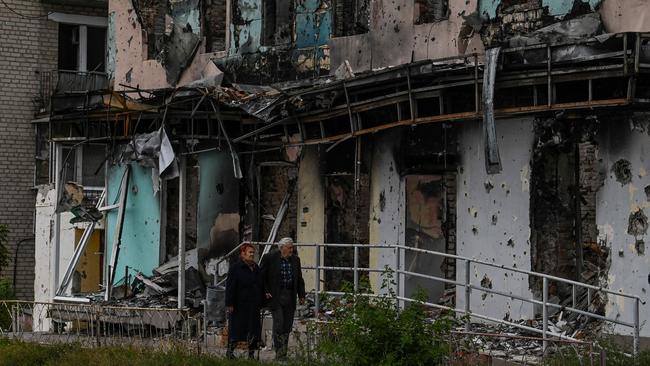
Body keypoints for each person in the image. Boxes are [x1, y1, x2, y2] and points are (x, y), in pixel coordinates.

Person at [261, 237, 306, 361]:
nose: (292, 250)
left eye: (292, 247)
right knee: (279, 323)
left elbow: (299, 279)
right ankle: (279, 353)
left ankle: (283, 354)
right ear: (281, 248)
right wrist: (265, 291)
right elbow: (261, 276)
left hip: (289, 295)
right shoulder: (269, 258)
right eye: (289, 247)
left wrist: (301, 295)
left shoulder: (296, 260)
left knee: (287, 326)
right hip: (275, 296)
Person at [225, 243, 264, 359]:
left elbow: (260, 285)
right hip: (239, 305)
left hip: (253, 304)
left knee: (253, 329)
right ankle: (230, 352)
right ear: (242, 254)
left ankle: (251, 355)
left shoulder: (256, 268)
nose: (252, 255)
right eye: (250, 252)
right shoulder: (235, 268)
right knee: (236, 329)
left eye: (253, 252)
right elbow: (230, 287)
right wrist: (229, 303)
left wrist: (262, 300)